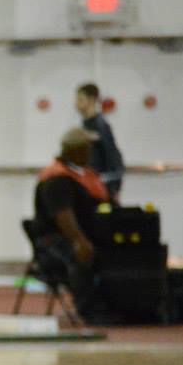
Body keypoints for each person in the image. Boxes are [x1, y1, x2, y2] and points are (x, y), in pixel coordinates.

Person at [32, 128, 114, 324]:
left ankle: (119, 304)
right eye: (87, 148)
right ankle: (88, 309)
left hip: (86, 234)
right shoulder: (56, 179)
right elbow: (63, 216)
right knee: (81, 252)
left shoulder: (84, 175)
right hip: (54, 241)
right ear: (74, 151)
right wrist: (79, 241)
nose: (90, 153)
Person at [75, 83, 124, 202]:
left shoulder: (100, 125)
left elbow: (111, 155)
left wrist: (113, 188)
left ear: (92, 100)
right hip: (91, 184)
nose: (76, 104)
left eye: (80, 99)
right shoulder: (86, 124)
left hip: (103, 186)